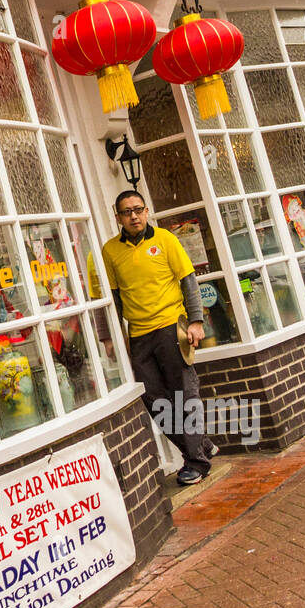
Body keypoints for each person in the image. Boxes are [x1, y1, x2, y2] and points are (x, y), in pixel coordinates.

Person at [101, 189, 215, 485]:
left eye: (138, 209)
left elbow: (188, 281)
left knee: (183, 394)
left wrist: (196, 321)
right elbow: (112, 297)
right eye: (127, 212)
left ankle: (196, 462)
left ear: (147, 211)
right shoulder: (110, 250)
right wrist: (110, 336)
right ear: (118, 217)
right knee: (154, 401)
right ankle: (199, 445)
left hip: (170, 329)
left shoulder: (165, 239)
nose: (134, 216)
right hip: (139, 334)